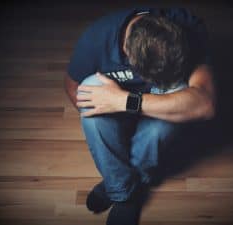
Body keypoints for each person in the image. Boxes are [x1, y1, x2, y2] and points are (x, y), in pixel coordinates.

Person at [64, 7, 216, 225]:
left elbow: (205, 104)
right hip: (116, 102)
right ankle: (122, 189)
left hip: (139, 105)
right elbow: (71, 87)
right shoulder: (96, 38)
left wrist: (126, 102)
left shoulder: (190, 27)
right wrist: (110, 128)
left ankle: (127, 185)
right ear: (127, 52)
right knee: (89, 90)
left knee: (176, 100)